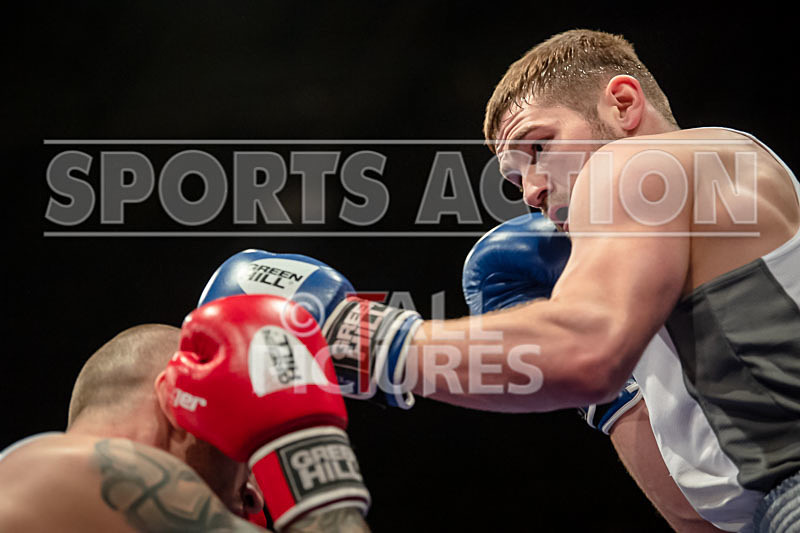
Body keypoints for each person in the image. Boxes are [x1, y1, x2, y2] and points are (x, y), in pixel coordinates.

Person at [196, 30, 799, 532]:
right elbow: (699, 517)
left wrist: (353, 335)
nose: (531, 192)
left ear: (622, 105)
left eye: (538, 147)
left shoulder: (637, 163)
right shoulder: (692, 242)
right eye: (513, 181)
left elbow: (584, 351)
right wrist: (614, 399)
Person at [0, 305, 372, 532]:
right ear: (179, 406)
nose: (256, 498)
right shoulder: (94, 469)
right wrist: (308, 448)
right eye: (244, 456)